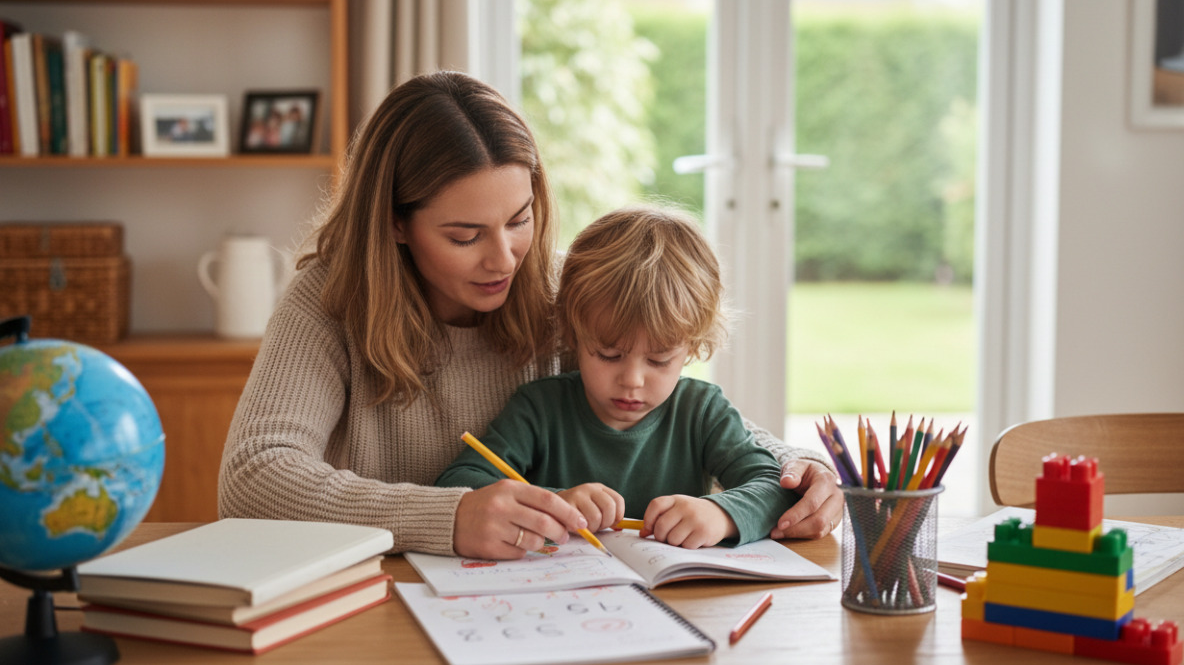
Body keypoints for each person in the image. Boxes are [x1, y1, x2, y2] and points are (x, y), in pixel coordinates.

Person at [217, 70, 842, 561]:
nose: (504, 259)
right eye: (465, 236)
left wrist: (798, 470)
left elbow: (677, 401)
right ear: (395, 223)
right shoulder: (330, 298)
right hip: (372, 598)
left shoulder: (560, 287)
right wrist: (451, 516)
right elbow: (252, 476)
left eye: (520, 220)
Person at [437, 205, 799, 548]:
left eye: (659, 360)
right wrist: (556, 501)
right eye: (608, 354)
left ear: (692, 347)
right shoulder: (539, 408)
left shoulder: (702, 411)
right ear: (572, 333)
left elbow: (774, 486)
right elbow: (458, 486)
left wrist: (721, 514)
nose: (632, 380)